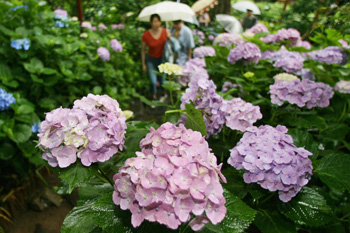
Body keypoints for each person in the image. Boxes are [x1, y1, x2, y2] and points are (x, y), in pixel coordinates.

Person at [141, 14, 171, 100]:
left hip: (162, 60)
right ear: (151, 22)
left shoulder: (165, 32)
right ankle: (153, 97)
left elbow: (171, 47)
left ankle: (162, 95)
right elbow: (143, 50)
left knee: (162, 81)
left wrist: (169, 38)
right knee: (153, 81)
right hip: (151, 60)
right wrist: (143, 64)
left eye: (158, 21)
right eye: (154, 21)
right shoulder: (146, 35)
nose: (157, 23)